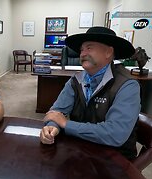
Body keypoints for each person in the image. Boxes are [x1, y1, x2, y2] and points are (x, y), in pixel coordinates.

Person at [39, 26, 141, 160]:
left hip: (114, 158)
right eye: (81, 50)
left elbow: (115, 134)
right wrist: (52, 128)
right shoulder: (76, 80)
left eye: (89, 48)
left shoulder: (127, 85)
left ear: (108, 52)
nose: (82, 53)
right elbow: (56, 112)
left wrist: (66, 124)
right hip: (80, 149)